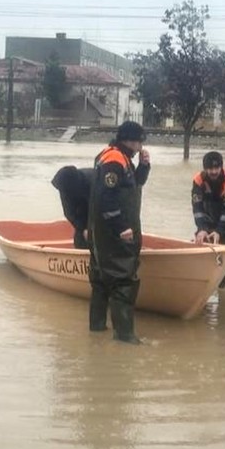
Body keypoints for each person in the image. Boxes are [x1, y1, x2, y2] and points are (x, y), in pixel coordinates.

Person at [88, 121, 150, 344]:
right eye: (137, 142)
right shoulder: (115, 159)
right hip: (115, 235)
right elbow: (107, 197)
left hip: (101, 233)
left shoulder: (112, 156)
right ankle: (124, 337)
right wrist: (120, 227)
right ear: (127, 140)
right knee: (122, 282)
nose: (139, 147)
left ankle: (96, 330)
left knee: (101, 281)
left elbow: (133, 186)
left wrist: (143, 166)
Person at [191, 151, 225, 288]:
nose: (213, 171)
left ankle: (222, 287)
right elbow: (197, 208)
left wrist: (219, 231)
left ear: (221, 167)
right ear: (205, 168)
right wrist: (202, 229)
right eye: (210, 168)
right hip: (208, 220)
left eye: (216, 168)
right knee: (202, 251)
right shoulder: (198, 180)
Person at [51, 165, 94, 249]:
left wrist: (91, 228)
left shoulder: (94, 180)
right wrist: (83, 228)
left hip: (100, 207)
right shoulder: (64, 186)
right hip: (81, 210)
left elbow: (102, 208)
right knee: (80, 237)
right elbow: (68, 212)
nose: (62, 191)